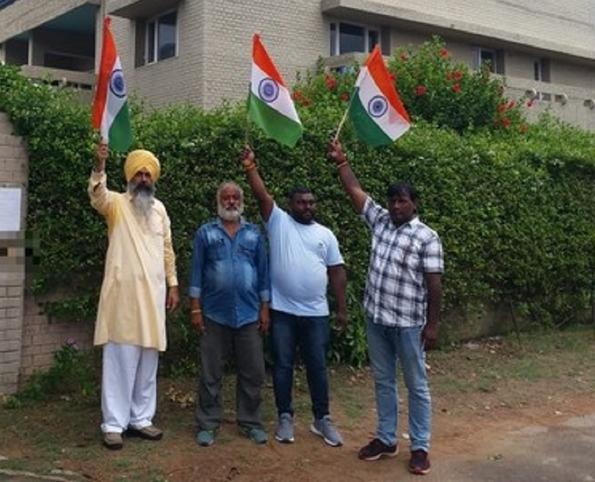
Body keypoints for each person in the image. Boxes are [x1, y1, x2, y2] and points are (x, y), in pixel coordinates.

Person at [327, 139, 443, 476]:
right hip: (377, 319)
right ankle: (386, 438)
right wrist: (341, 161)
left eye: (401, 201)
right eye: (392, 200)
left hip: (409, 324)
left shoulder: (427, 237)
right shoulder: (379, 221)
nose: (394, 206)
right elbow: (355, 191)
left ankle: (419, 446)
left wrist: (432, 325)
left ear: (413, 204)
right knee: (383, 381)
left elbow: (434, 284)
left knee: (416, 384)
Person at [241, 145, 347, 448]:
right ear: (290, 205)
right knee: (284, 366)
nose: (308, 207)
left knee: (317, 367)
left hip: (316, 314)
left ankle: (321, 419)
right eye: (301, 203)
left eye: (311, 203)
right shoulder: (278, 222)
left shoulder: (325, 234)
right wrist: (250, 167)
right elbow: (262, 196)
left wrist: (341, 309)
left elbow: (337, 272)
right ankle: (285, 416)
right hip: (283, 312)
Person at [88, 143, 180, 450]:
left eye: (147, 174)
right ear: (130, 176)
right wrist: (99, 166)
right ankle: (113, 424)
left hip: (153, 298)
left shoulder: (160, 210)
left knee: (148, 359)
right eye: (138, 173)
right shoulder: (115, 203)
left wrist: (173, 284)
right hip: (123, 298)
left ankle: (142, 419)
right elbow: (97, 196)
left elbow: (167, 249)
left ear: (153, 179)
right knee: (120, 361)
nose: (143, 178)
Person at [188, 182, 271, 446]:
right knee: (211, 371)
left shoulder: (254, 234)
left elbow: (263, 273)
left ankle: (250, 422)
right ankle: (209, 423)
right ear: (219, 201)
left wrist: (265, 307)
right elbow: (196, 272)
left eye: (236, 197)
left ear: (242, 201)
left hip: (248, 314)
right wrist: (195, 308)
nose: (231, 202)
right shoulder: (206, 233)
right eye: (226, 197)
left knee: (253, 371)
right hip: (213, 314)